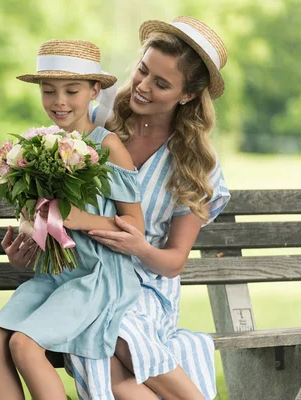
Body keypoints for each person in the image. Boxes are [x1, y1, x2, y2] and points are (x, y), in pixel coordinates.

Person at [67, 16, 231, 400]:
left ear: (187, 95)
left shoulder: (193, 163)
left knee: (110, 329)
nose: (142, 86)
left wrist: (136, 247)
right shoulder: (99, 117)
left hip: (146, 288)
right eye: (142, 71)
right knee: (105, 363)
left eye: (161, 83)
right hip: (89, 275)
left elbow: (174, 261)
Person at [0, 39, 146, 400]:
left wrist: (77, 218)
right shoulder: (36, 149)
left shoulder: (108, 146)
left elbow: (137, 229)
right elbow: (37, 219)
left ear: (94, 90)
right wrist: (23, 248)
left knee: (24, 344)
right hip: (53, 275)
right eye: (49, 90)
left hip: (98, 278)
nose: (59, 101)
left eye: (72, 90)